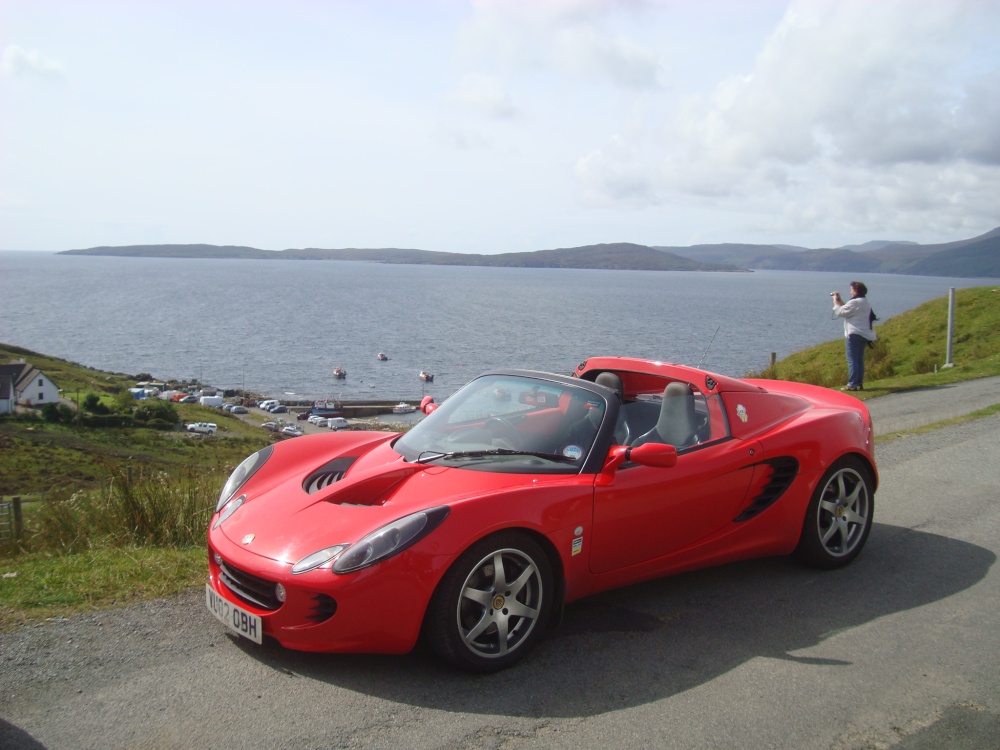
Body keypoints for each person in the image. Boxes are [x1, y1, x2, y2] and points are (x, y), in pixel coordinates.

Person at [832, 281, 877, 391]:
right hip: (864, 334)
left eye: (851, 289)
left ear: (856, 291)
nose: (850, 291)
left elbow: (840, 312)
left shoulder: (855, 302)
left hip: (854, 334)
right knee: (858, 360)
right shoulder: (864, 301)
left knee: (852, 359)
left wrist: (834, 301)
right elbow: (848, 308)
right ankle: (858, 383)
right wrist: (839, 300)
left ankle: (852, 384)